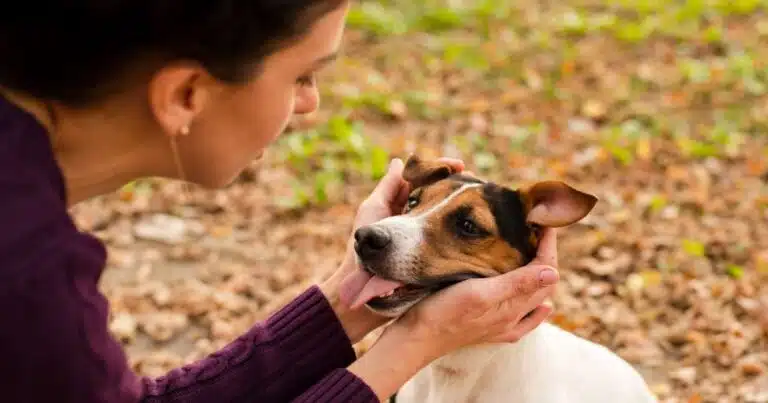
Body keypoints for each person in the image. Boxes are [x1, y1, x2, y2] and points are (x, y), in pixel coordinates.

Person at [0, 1, 561, 402]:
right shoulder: (31, 284)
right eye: (304, 75)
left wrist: (349, 299)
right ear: (186, 95)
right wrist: (411, 347)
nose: (310, 104)